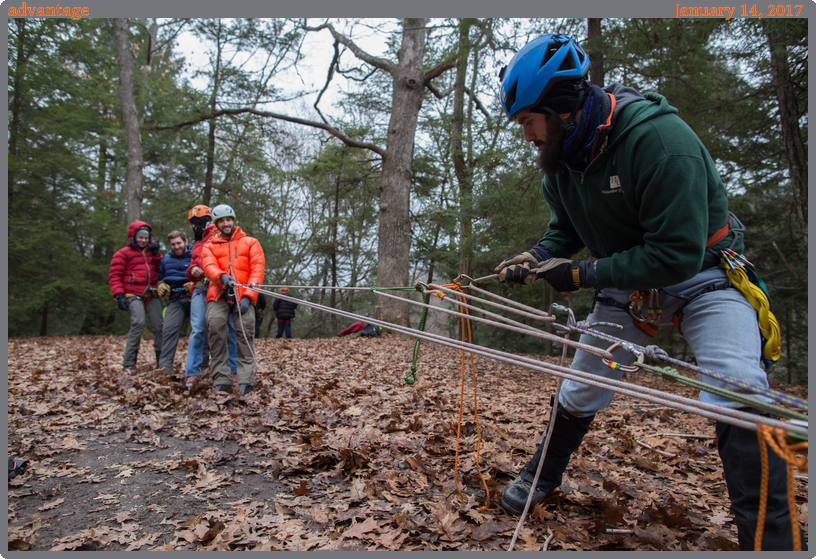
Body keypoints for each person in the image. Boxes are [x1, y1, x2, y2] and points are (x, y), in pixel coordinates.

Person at [493, 34, 803, 551]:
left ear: (562, 109)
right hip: (627, 285)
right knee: (582, 386)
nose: (527, 134)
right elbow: (564, 227)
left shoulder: (659, 141)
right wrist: (540, 254)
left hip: (705, 277)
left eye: (529, 120)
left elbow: (676, 255)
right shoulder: (562, 161)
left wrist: (578, 275)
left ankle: (770, 543)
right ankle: (543, 474)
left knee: (739, 391)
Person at [202, 204, 265, 394]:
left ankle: (246, 378)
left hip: (244, 293)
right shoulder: (209, 246)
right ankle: (221, 378)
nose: (226, 223)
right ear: (217, 224)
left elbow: (257, 269)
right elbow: (208, 265)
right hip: (218, 292)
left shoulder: (251, 242)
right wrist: (221, 276)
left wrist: (248, 297)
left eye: (228, 219)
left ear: (233, 220)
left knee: (244, 329)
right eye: (221, 221)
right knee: (215, 325)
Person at [185, 205, 238, 389]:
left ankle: (233, 370)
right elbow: (191, 268)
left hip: (219, 287)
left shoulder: (218, 237)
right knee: (198, 330)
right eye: (195, 223)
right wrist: (192, 269)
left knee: (228, 328)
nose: (197, 226)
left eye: (200, 223)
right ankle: (192, 372)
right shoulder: (196, 245)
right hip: (200, 288)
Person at [108, 221, 164, 373]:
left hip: (151, 293)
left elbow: (163, 270)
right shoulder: (122, 254)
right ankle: (129, 363)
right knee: (138, 324)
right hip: (132, 293)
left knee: (160, 326)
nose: (143, 240)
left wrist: (156, 255)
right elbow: (115, 276)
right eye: (140, 237)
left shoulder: (153, 253)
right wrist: (118, 295)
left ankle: (162, 362)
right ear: (133, 237)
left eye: (146, 238)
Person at [155, 230, 193, 375]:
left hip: (194, 296)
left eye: (179, 243)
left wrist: (195, 284)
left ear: (185, 242)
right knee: (169, 329)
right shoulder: (165, 260)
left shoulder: (195, 255)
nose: (176, 247)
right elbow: (161, 278)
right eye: (173, 244)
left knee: (202, 329)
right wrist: (160, 285)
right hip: (176, 299)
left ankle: (201, 366)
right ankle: (165, 367)